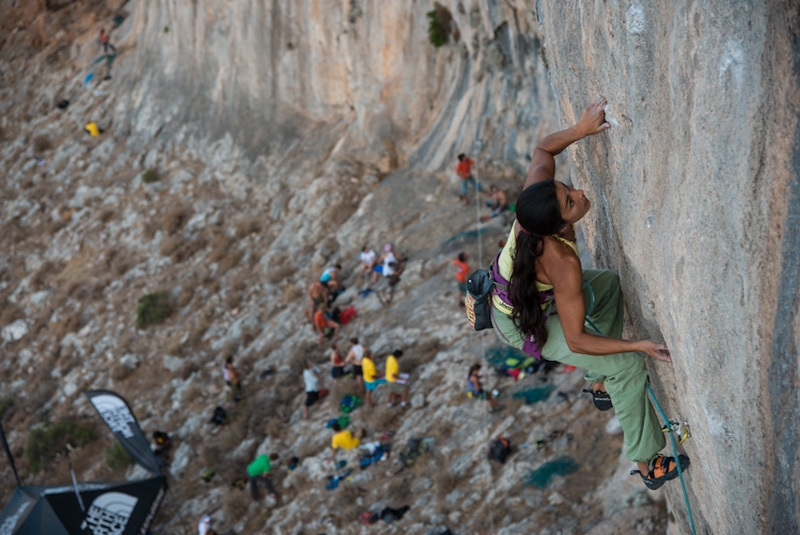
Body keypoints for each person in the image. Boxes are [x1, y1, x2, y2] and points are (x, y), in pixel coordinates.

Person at [488, 95, 688, 490]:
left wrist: (579, 131)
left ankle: (600, 383)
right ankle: (648, 462)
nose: (579, 195)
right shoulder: (561, 264)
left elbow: (544, 148)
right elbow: (577, 340)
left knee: (609, 287)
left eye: (567, 189)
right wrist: (636, 347)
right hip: (521, 323)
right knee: (629, 367)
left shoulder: (536, 201)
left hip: (527, 298)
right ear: (552, 228)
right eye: (569, 202)